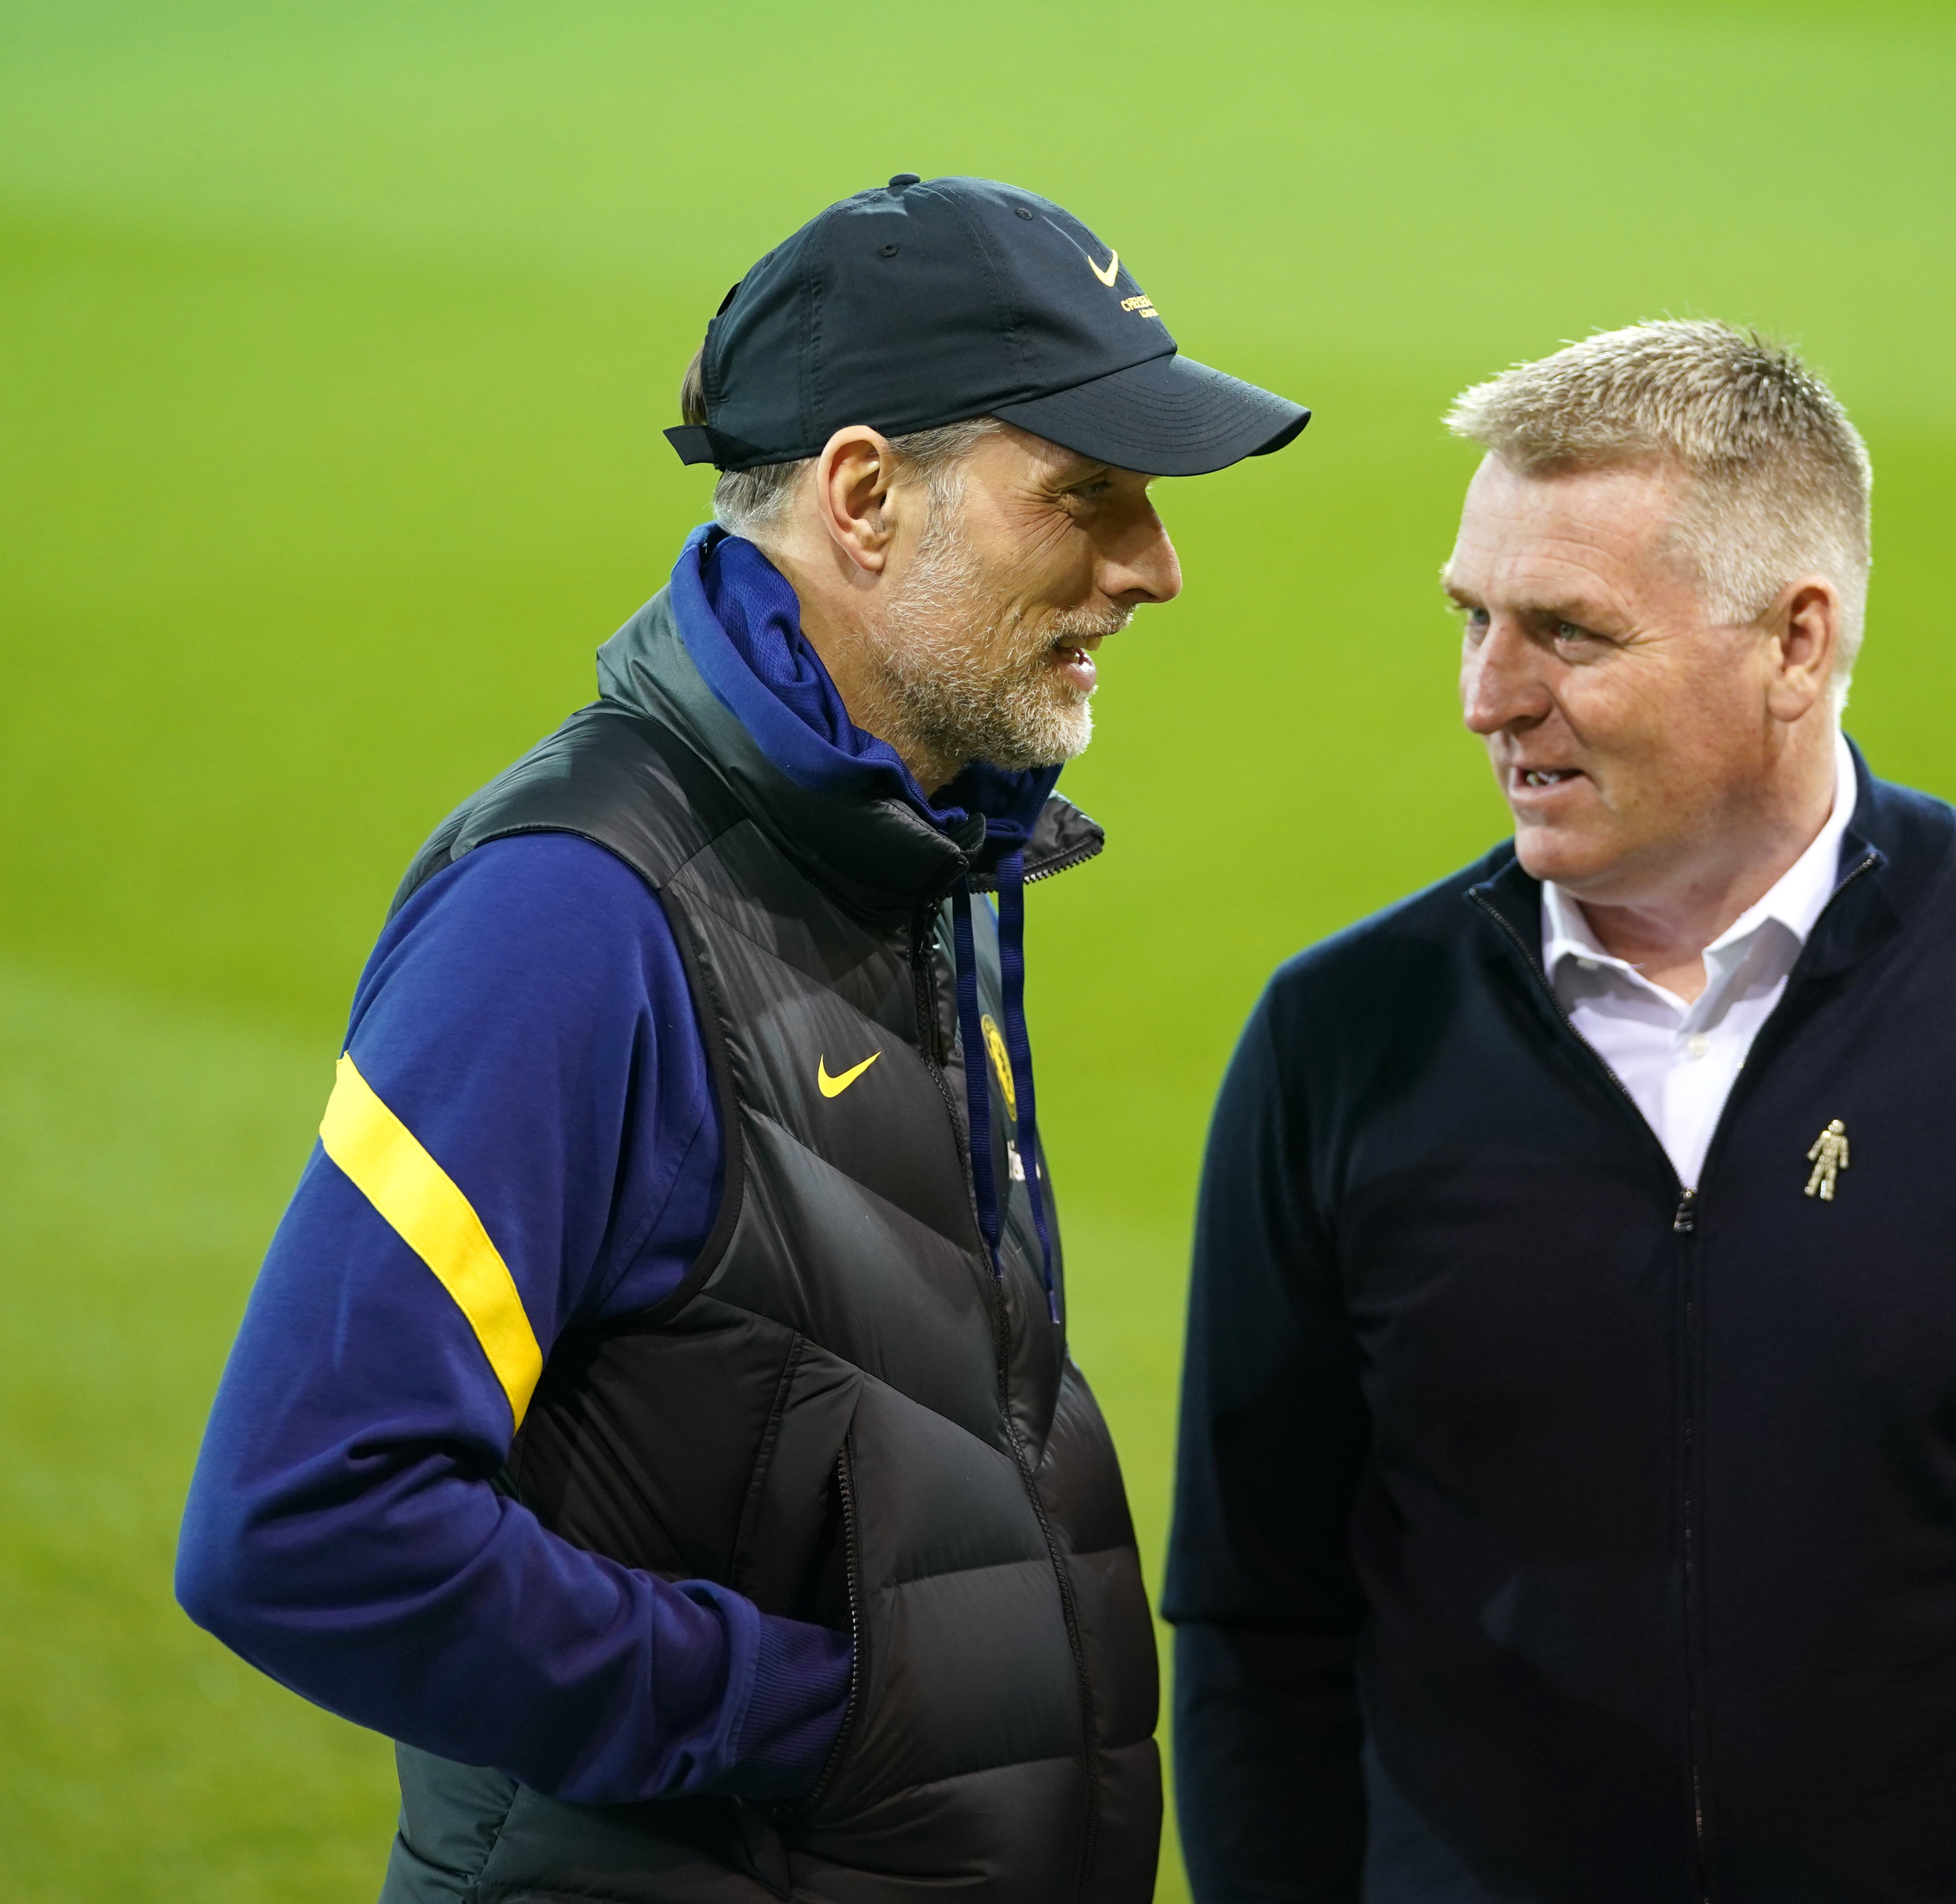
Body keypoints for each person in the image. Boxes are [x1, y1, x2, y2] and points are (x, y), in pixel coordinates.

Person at [1166, 320, 1956, 1902]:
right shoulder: (1339, 1043)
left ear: (1797, 644)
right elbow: (1253, 1619)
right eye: (1472, 619)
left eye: (1571, 633)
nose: (1492, 697)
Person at [176, 173, 1306, 1904]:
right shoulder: (571, 915)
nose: (1155, 568)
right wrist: (787, 1716)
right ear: (864, 499)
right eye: (1087, 497)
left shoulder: (926, 851)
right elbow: (307, 1525)